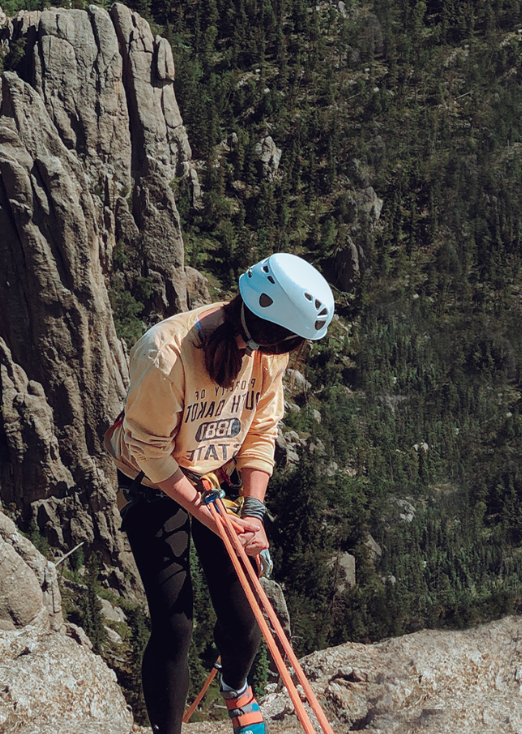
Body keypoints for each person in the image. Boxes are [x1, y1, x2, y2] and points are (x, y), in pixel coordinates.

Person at [105, 253, 335, 734]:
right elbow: (150, 452)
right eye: (291, 342)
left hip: (215, 477)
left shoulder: (267, 354)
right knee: (174, 624)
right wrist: (215, 520)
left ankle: (236, 686)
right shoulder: (167, 353)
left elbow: (261, 432)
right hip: (153, 483)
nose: (291, 352)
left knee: (246, 611)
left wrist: (252, 511)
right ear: (273, 331)